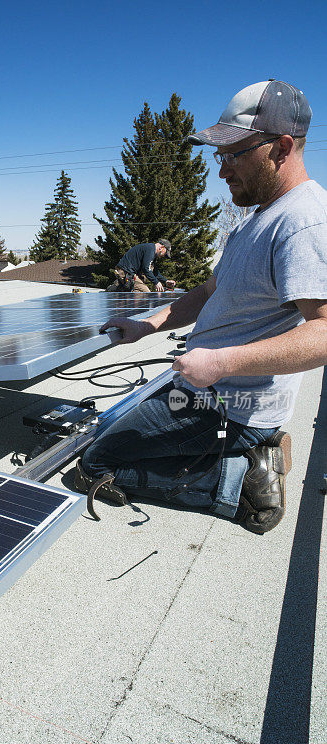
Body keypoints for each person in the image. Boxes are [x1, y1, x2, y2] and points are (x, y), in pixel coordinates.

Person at [76, 79, 327, 533]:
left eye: (234, 154)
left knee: (94, 463)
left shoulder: (303, 222)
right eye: (220, 156)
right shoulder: (257, 220)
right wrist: (146, 325)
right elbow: (211, 290)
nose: (222, 169)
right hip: (206, 389)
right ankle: (231, 455)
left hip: (231, 406)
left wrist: (222, 362)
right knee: (109, 437)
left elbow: (325, 331)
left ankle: (241, 482)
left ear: (281, 147)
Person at [107, 240, 177, 292]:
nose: (164, 256)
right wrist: (156, 282)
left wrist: (165, 281)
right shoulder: (150, 250)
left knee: (126, 288)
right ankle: (111, 290)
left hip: (127, 272)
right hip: (126, 272)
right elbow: (146, 269)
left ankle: (111, 290)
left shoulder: (151, 251)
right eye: (165, 253)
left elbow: (153, 271)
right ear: (162, 247)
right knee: (145, 292)